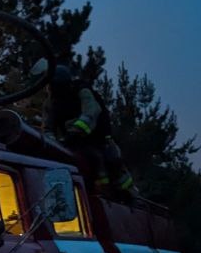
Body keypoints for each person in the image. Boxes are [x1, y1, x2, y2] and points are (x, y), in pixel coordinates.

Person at [32, 59, 135, 197]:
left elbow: (91, 112)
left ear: (59, 84)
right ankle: (98, 193)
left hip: (97, 139)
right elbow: (47, 128)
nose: (48, 89)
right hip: (73, 144)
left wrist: (76, 131)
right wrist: (53, 144)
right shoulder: (51, 104)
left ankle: (128, 194)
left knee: (110, 158)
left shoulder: (82, 91)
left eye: (51, 85)